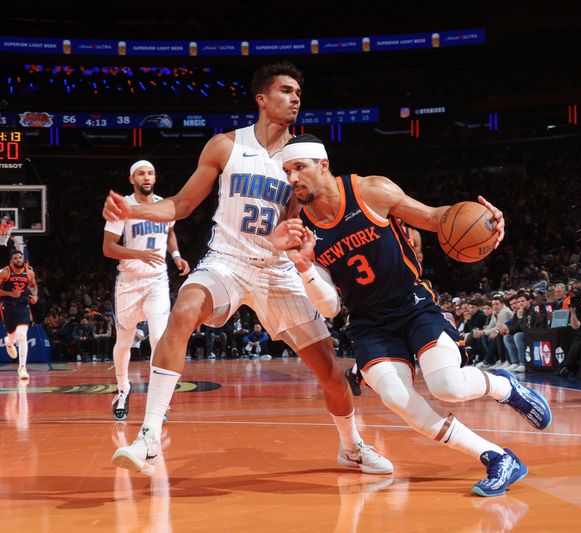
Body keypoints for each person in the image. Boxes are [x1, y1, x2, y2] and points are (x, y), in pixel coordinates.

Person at [103, 62, 391, 476]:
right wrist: (132, 209)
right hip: (228, 260)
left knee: (329, 371)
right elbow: (181, 206)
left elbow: (308, 215)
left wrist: (293, 238)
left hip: (277, 269)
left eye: (298, 93)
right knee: (182, 312)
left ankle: (352, 446)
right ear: (262, 98)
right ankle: (148, 437)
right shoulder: (225, 146)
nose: (295, 99)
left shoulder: (302, 158)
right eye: (286, 91)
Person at [281, 134, 551, 497]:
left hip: (413, 305)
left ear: (323, 165)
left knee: (448, 386)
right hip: (368, 323)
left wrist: (487, 222)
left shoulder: (370, 191)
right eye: (287, 171)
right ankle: (497, 458)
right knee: (396, 397)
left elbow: (437, 218)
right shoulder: (300, 228)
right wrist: (304, 267)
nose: (293, 177)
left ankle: (504, 386)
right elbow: (329, 307)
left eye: (299, 167)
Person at [103, 160, 192, 420]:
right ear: (132, 179)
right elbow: (108, 248)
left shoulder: (165, 205)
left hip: (157, 280)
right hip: (129, 282)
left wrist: (176, 256)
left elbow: (170, 231)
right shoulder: (123, 208)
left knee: (158, 339)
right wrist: (137, 254)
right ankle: (122, 389)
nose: (146, 177)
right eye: (141, 173)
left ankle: (158, 403)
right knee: (124, 342)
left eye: (150, 172)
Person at [1, 249, 38, 380]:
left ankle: (22, 368)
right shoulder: (5, 272)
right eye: (16, 258)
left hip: (23, 306)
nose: (19, 260)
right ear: (11, 262)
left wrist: (35, 296)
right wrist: (10, 294)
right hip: (9, 306)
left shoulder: (29, 272)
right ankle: (8, 342)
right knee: (12, 336)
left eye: (20, 258)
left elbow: (33, 286)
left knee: (22, 335)